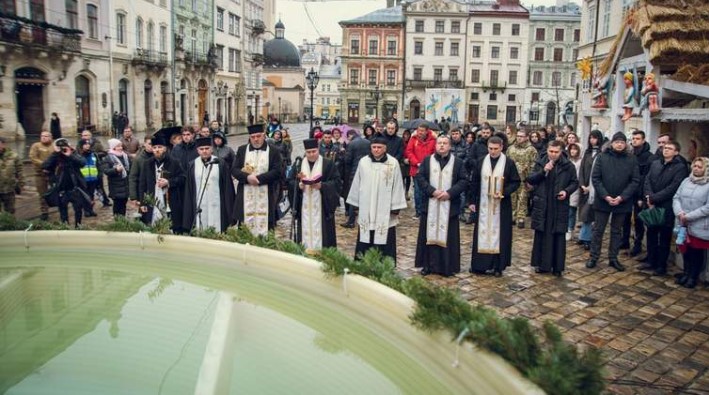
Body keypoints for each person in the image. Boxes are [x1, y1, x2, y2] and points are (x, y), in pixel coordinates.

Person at [414, 135, 469, 276]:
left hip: (449, 207)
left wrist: (450, 193)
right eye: (439, 143)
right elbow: (420, 178)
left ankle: (447, 267)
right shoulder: (427, 161)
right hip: (430, 205)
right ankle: (427, 265)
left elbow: (463, 181)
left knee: (448, 236)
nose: (442, 146)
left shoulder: (457, 162)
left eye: (445, 143)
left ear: (450, 146)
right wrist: (432, 191)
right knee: (428, 236)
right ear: (436, 145)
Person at [347, 136, 407, 262]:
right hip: (366, 205)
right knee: (365, 236)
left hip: (384, 209)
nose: (376, 150)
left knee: (385, 235)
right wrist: (356, 205)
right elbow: (357, 182)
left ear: (385, 148)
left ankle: (385, 263)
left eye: (379, 147)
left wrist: (395, 208)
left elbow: (397, 185)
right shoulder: (363, 162)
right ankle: (362, 262)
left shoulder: (393, 163)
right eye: (374, 147)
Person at [586, 132, 640, 272]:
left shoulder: (631, 159)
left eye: (622, 142)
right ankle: (594, 256)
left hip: (622, 201)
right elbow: (596, 178)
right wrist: (605, 196)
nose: (619, 144)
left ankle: (613, 258)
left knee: (617, 231)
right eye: (617, 142)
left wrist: (622, 197)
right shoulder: (602, 157)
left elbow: (635, 181)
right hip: (603, 200)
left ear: (625, 144)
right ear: (612, 143)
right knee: (598, 230)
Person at [468, 136, 521, 276]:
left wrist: (504, 192)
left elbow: (516, 182)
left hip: (501, 206)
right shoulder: (480, 162)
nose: (492, 152)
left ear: (501, 147)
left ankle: (498, 266)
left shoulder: (509, 163)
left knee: (500, 235)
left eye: (495, 149)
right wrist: (472, 201)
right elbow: (474, 182)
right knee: (482, 233)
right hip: (483, 204)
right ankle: (479, 265)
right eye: (490, 149)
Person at [527, 140, 579, 276]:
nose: (553, 154)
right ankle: (542, 265)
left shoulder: (568, 166)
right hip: (543, 204)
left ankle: (557, 266)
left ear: (561, 151)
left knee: (558, 236)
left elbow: (574, 182)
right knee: (542, 235)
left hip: (558, 204)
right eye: (551, 151)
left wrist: (566, 191)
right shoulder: (541, 162)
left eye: (556, 152)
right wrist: (544, 170)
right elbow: (531, 179)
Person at [641, 140, 688, 275]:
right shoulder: (656, 163)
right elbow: (647, 181)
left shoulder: (680, 167)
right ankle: (651, 260)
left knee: (664, 237)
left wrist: (655, 198)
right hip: (652, 204)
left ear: (676, 152)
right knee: (651, 233)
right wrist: (649, 197)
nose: (666, 150)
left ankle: (661, 265)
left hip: (666, 206)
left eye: (669, 148)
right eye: (665, 148)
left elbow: (673, 187)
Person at [232, 124, 284, 235]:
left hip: (266, 195)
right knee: (244, 233)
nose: (256, 139)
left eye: (258, 136)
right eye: (253, 137)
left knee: (266, 232)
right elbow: (234, 170)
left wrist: (258, 179)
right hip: (245, 197)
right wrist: (247, 177)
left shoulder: (273, 151)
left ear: (264, 135)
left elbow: (277, 171)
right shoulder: (242, 150)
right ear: (249, 137)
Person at [292, 138, 341, 250]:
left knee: (324, 235)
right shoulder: (299, 164)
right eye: (308, 152)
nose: (311, 154)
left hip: (322, 208)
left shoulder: (328, 164)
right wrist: (298, 186)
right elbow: (289, 182)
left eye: (314, 151)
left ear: (318, 150)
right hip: (304, 207)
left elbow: (337, 182)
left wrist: (322, 186)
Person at [183, 137, 235, 232]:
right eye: (201, 149)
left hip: (218, 204)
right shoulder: (193, 165)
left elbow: (228, 188)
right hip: (199, 205)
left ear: (211, 149)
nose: (204, 151)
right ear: (197, 150)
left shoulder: (220, 163)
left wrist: (230, 211)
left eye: (207, 148)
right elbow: (189, 190)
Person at [673, 157, 709, 289]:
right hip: (683, 222)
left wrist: (689, 216)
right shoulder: (686, 181)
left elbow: (707, 208)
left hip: (699, 223)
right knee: (685, 250)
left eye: (700, 167)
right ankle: (686, 273)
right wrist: (680, 212)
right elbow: (676, 197)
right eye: (695, 166)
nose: (696, 169)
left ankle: (693, 277)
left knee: (696, 251)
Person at [138, 134, 185, 230]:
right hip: (152, 200)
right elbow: (142, 184)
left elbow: (182, 178)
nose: (157, 150)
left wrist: (169, 182)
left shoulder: (174, 162)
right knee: (152, 226)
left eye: (160, 147)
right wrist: (142, 203)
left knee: (170, 226)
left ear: (165, 148)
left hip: (169, 200)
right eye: (154, 147)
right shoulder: (147, 163)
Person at [43, 138, 88, 227]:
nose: (63, 148)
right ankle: (65, 227)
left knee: (78, 210)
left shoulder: (73, 153)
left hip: (75, 188)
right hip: (61, 189)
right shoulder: (56, 156)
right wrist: (55, 153)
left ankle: (78, 227)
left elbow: (83, 162)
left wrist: (70, 155)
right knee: (63, 212)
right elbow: (45, 166)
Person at [623, 130, 653, 255]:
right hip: (627, 191)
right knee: (625, 217)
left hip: (639, 193)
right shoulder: (629, 154)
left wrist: (641, 196)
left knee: (638, 219)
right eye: (633, 138)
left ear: (643, 140)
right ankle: (624, 240)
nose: (634, 140)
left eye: (637, 138)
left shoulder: (649, 157)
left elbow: (646, 178)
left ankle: (637, 244)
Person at [577, 129, 604, 250]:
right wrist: (582, 184)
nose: (592, 140)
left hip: (594, 189)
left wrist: (591, 187)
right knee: (583, 213)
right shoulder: (587, 153)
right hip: (584, 188)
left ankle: (587, 237)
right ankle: (584, 236)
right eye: (591, 138)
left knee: (590, 214)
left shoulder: (602, 154)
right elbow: (581, 170)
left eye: (595, 138)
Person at [507, 128, 538, 228]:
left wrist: (530, 179)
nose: (519, 138)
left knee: (523, 198)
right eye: (518, 136)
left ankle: (521, 217)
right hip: (512, 178)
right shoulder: (511, 148)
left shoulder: (531, 150)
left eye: (521, 136)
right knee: (512, 197)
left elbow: (534, 165)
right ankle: (512, 215)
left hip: (524, 178)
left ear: (526, 137)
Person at [405, 123, 436, 219]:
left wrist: (427, 164)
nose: (420, 133)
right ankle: (418, 211)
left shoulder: (433, 140)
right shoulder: (413, 139)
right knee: (417, 191)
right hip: (416, 169)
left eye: (422, 131)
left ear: (427, 131)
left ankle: (427, 211)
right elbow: (409, 152)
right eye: (419, 130)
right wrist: (416, 162)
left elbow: (435, 152)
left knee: (427, 191)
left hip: (429, 169)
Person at [341, 129, 371, 228]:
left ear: (350, 136)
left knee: (353, 197)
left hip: (354, 172)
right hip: (367, 172)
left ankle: (351, 220)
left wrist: (344, 153)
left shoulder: (351, 144)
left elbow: (347, 160)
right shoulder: (368, 142)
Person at [101, 139, 131, 218]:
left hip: (125, 185)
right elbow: (106, 171)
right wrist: (115, 170)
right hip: (115, 186)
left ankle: (123, 220)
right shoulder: (108, 158)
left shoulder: (125, 156)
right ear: (113, 147)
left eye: (121, 146)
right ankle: (118, 222)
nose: (120, 148)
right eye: (118, 146)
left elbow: (130, 168)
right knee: (117, 205)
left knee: (124, 204)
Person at [29, 130, 54, 220]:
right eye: (42, 136)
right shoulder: (36, 146)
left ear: (50, 137)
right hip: (40, 174)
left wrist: (51, 167)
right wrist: (44, 164)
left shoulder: (54, 146)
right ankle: (44, 212)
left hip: (52, 174)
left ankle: (58, 206)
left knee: (56, 191)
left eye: (46, 136)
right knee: (42, 194)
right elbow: (33, 157)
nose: (43, 137)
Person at [129, 136, 153, 223]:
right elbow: (133, 177)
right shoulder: (139, 159)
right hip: (143, 193)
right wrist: (133, 196)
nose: (152, 146)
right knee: (145, 217)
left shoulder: (158, 157)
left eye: (153, 144)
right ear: (144, 144)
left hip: (156, 192)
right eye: (150, 144)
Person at [77, 139, 101, 217]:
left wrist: (99, 176)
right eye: (85, 144)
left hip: (93, 178)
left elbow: (98, 165)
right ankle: (86, 210)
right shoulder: (78, 155)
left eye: (88, 144)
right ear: (81, 146)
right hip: (83, 179)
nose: (87, 145)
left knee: (91, 195)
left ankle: (91, 210)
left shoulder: (93, 154)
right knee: (84, 196)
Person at [0, 137, 23, 216]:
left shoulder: (14, 156)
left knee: (10, 211)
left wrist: (20, 184)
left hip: (9, 188)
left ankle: (10, 225)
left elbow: (20, 171)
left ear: (3, 144)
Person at [566, 143, 583, 240]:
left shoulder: (581, 162)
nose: (572, 151)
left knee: (572, 210)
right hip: (566, 186)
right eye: (571, 149)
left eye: (575, 149)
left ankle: (570, 229)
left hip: (576, 188)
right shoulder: (567, 160)